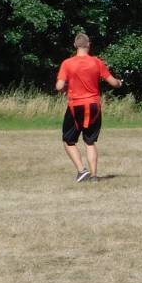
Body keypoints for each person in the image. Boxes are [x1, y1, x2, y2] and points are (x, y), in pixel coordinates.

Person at [55, 32, 123, 182]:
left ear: (75, 45)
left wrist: (67, 87)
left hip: (75, 106)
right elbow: (113, 82)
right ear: (88, 45)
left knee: (68, 140)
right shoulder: (96, 62)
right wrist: (120, 83)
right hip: (93, 105)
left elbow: (59, 86)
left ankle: (81, 171)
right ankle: (93, 176)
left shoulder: (67, 63)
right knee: (90, 141)